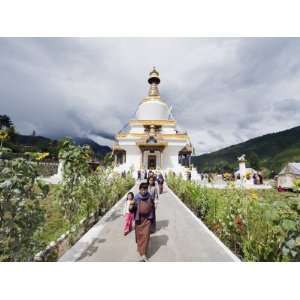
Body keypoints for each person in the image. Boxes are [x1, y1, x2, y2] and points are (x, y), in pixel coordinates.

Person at [129, 182, 154, 262]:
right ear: (139, 189)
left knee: (146, 236)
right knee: (140, 236)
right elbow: (131, 210)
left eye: (145, 189)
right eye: (142, 189)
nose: (144, 191)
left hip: (147, 220)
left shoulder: (149, 196)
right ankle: (140, 248)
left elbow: (152, 207)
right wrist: (131, 206)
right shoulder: (136, 198)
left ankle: (143, 254)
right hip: (139, 220)